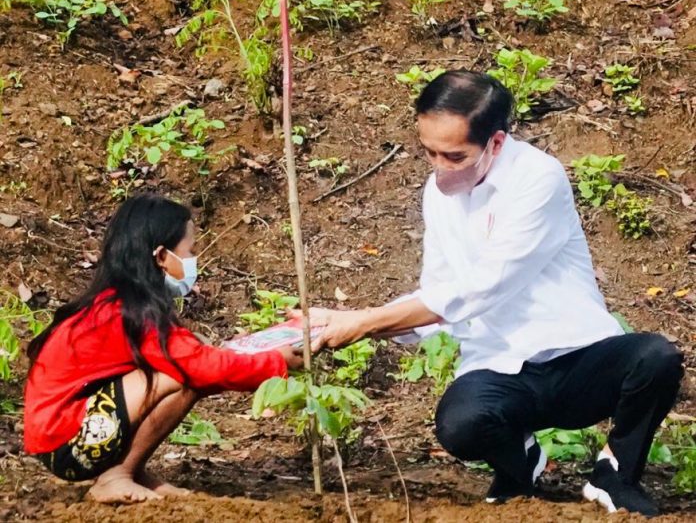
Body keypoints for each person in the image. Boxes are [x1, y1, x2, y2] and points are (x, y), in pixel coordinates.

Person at [294, 70, 683, 517]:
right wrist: (347, 323)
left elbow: (485, 286)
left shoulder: (538, 177)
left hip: (577, 359)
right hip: (499, 366)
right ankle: (520, 467)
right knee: (461, 425)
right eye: (429, 152)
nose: (439, 166)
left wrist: (365, 321)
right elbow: (440, 293)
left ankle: (615, 474)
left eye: (454, 155)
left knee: (655, 358)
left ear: (496, 143)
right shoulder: (437, 195)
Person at [25, 194, 303, 504]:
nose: (193, 260)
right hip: (65, 446)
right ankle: (116, 476)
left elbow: (192, 352)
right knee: (182, 376)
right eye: (190, 251)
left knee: (189, 357)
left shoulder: (117, 302)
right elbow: (198, 368)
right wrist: (274, 362)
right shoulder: (129, 311)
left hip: (60, 435)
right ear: (160, 256)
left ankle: (130, 470)